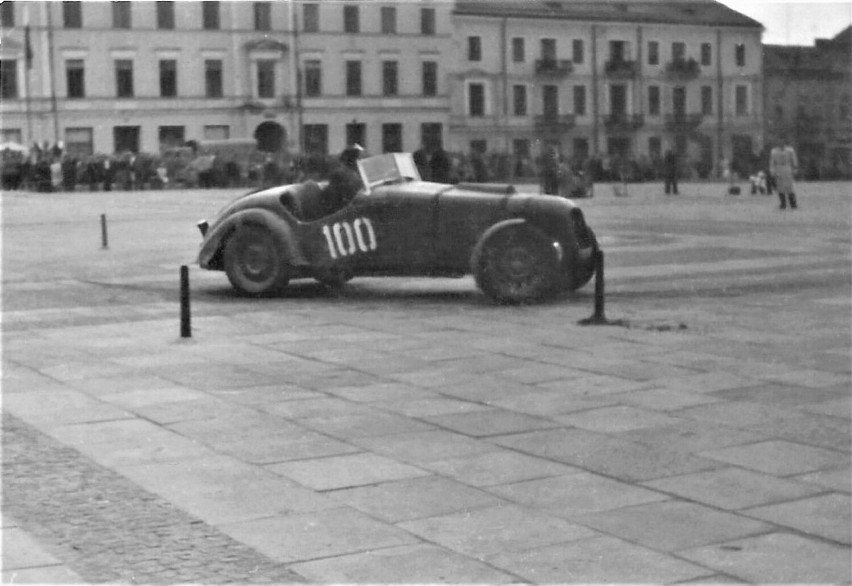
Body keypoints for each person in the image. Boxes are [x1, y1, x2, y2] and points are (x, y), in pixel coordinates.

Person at [770, 136, 799, 210]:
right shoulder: (774, 151)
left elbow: (794, 159)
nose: (781, 143)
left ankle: (793, 204)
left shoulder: (790, 150)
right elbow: (772, 162)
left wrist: (795, 168)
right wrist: (772, 171)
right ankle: (783, 204)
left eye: (782, 141)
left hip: (787, 168)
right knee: (780, 187)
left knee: (789, 187)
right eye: (779, 141)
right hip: (779, 168)